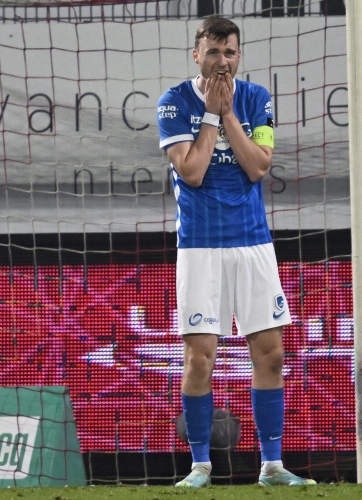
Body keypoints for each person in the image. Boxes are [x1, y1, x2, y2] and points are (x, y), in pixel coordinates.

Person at [156, 16, 316, 488]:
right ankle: (200, 465)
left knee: (270, 354)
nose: (221, 62)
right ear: (196, 54)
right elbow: (193, 171)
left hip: (252, 242)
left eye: (229, 53)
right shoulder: (174, 102)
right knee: (199, 357)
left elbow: (259, 166)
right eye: (212, 52)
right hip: (201, 245)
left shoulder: (255, 99)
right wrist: (209, 112)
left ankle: (271, 466)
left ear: (238, 55)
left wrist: (227, 113)